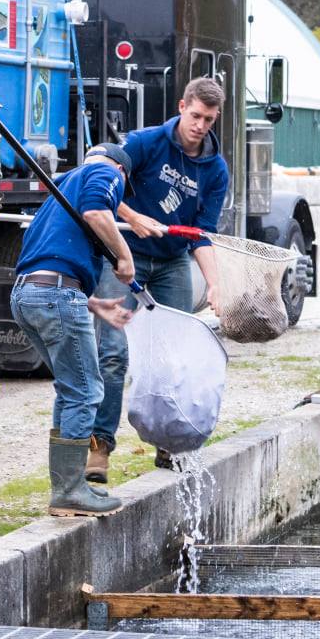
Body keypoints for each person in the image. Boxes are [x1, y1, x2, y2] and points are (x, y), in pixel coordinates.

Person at [94, 76, 231, 481]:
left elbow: (200, 235)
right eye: (195, 115)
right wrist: (133, 219)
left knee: (170, 359)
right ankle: (99, 448)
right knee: (114, 353)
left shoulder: (215, 170)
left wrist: (215, 284)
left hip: (171, 264)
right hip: (125, 254)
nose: (200, 126)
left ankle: (169, 443)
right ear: (181, 106)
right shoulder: (144, 143)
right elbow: (97, 181)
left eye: (208, 119)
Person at [9, 144, 137, 517]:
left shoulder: (62, 186)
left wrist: (91, 303)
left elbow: (51, 250)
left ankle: (66, 488)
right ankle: (70, 490)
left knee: (70, 388)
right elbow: (97, 212)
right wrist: (125, 257)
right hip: (55, 295)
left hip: (28, 293)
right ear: (122, 171)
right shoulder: (106, 172)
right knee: (85, 390)